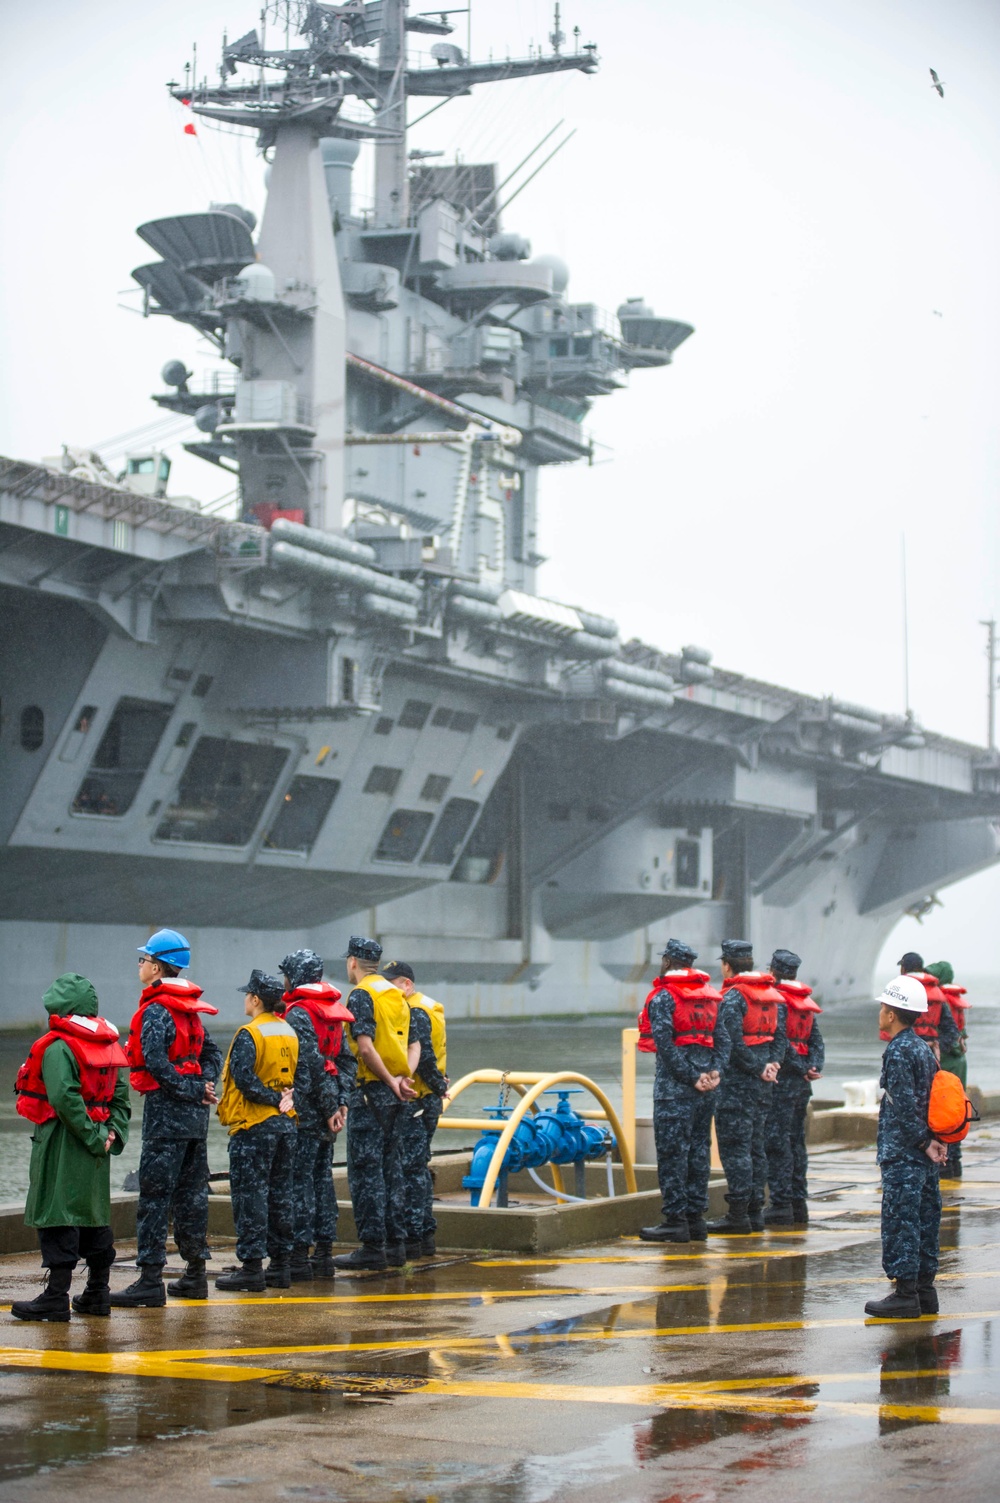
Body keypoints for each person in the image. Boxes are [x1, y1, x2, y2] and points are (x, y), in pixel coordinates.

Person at [112, 929, 222, 1308]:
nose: (140, 965)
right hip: (195, 1119)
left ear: (157, 967)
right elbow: (212, 1052)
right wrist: (204, 1085)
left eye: (143, 960)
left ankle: (149, 1280)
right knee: (192, 1196)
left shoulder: (157, 1010)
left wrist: (194, 1088)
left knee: (156, 1197)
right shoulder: (189, 1010)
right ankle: (194, 1275)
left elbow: (155, 1063)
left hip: (167, 1116)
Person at [12, 973, 130, 1322]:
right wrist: (110, 1134)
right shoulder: (110, 1045)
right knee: (94, 1216)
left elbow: (63, 1098)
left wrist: (92, 1136)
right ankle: (98, 1292)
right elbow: (121, 1097)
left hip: (63, 1142)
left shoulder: (58, 1046)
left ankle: (55, 1297)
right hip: (97, 1150)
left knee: (57, 1213)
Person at [864, 975, 947, 1319]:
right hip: (924, 1155)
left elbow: (903, 1105)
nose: (880, 1013)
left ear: (893, 1014)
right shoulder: (923, 1049)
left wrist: (923, 1142)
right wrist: (936, 1142)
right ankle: (925, 1292)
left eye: (884, 1007)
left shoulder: (898, 1051)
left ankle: (905, 1294)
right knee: (925, 1219)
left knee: (902, 1220)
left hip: (904, 1154)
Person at [334, 937, 418, 1273]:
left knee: (366, 1173)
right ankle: (395, 1245)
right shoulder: (397, 995)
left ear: (353, 962)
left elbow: (365, 1048)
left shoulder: (361, 995)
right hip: (398, 1095)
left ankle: (371, 1247)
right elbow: (414, 1046)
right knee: (392, 1170)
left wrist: (386, 1080)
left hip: (371, 1093)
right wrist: (402, 1080)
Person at [638, 939, 727, 1244]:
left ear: (667, 962)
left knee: (673, 1155)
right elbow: (723, 1040)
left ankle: (675, 1221)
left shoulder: (664, 997)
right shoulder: (710, 998)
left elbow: (664, 1046)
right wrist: (714, 1072)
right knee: (699, 1152)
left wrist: (691, 1077)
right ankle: (695, 1220)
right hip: (707, 1091)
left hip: (675, 1091)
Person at [215, 970, 299, 1292]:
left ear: (255, 999)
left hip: (254, 1126)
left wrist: (272, 1098)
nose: (244, 1000)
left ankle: (251, 1268)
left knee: (251, 1197)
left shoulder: (251, 1033)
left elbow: (244, 1080)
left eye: (246, 995)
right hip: (286, 1126)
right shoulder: (289, 1032)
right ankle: (280, 1267)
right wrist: (286, 1099)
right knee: (280, 1196)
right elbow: (298, 1076)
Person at [278, 949, 356, 1280]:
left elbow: (309, 1064)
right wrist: (342, 1103)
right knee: (323, 1181)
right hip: (330, 1112)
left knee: (301, 1183)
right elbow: (346, 1062)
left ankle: (299, 1256)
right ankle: (323, 1254)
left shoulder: (298, 1014)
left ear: (294, 976)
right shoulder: (334, 1013)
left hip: (307, 1114)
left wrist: (329, 1109)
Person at [707, 940, 786, 1236]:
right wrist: (772, 1065)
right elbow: (780, 1038)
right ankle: (755, 1211)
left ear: (727, 965)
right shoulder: (771, 996)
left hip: (737, 1088)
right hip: (764, 1086)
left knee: (735, 1149)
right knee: (756, 1147)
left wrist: (757, 1067)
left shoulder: (732, 998)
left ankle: (738, 1214)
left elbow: (732, 1044)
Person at [383, 961, 449, 1258]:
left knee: (410, 1170)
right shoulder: (427, 1008)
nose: (387, 988)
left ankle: (414, 1237)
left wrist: (437, 1085)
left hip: (418, 1100)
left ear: (406, 984)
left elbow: (423, 1056)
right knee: (417, 1167)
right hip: (427, 1098)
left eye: (392, 982)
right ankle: (423, 1237)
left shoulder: (415, 1012)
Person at [764, 949, 824, 1227]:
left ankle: (781, 1204)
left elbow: (780, 1043)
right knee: (797, 1143)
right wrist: (813, 1066)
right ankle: (799, 1202)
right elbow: (816, 1040)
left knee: (778, 1144)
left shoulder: (777, 1002)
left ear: (774, 971)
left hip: (783, 1083)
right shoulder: (805, 1002)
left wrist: (800, 1067)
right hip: (802, 1086)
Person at [926, 960, 969, 1179]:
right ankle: (955, 1165)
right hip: (959, 1063)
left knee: (943, 1115)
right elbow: (959, 1034)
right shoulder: (955, 998)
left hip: (947, 1066)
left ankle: (946, 1164)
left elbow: (943, 1033)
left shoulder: (939, 1000)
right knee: (956, 1112)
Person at [896, 951, 961, 1061]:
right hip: (929, 1053)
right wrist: (936, 1045)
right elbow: (951, 1030)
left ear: (904, 969)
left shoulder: (900, 991)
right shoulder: (936, 993)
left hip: (904, 1052)